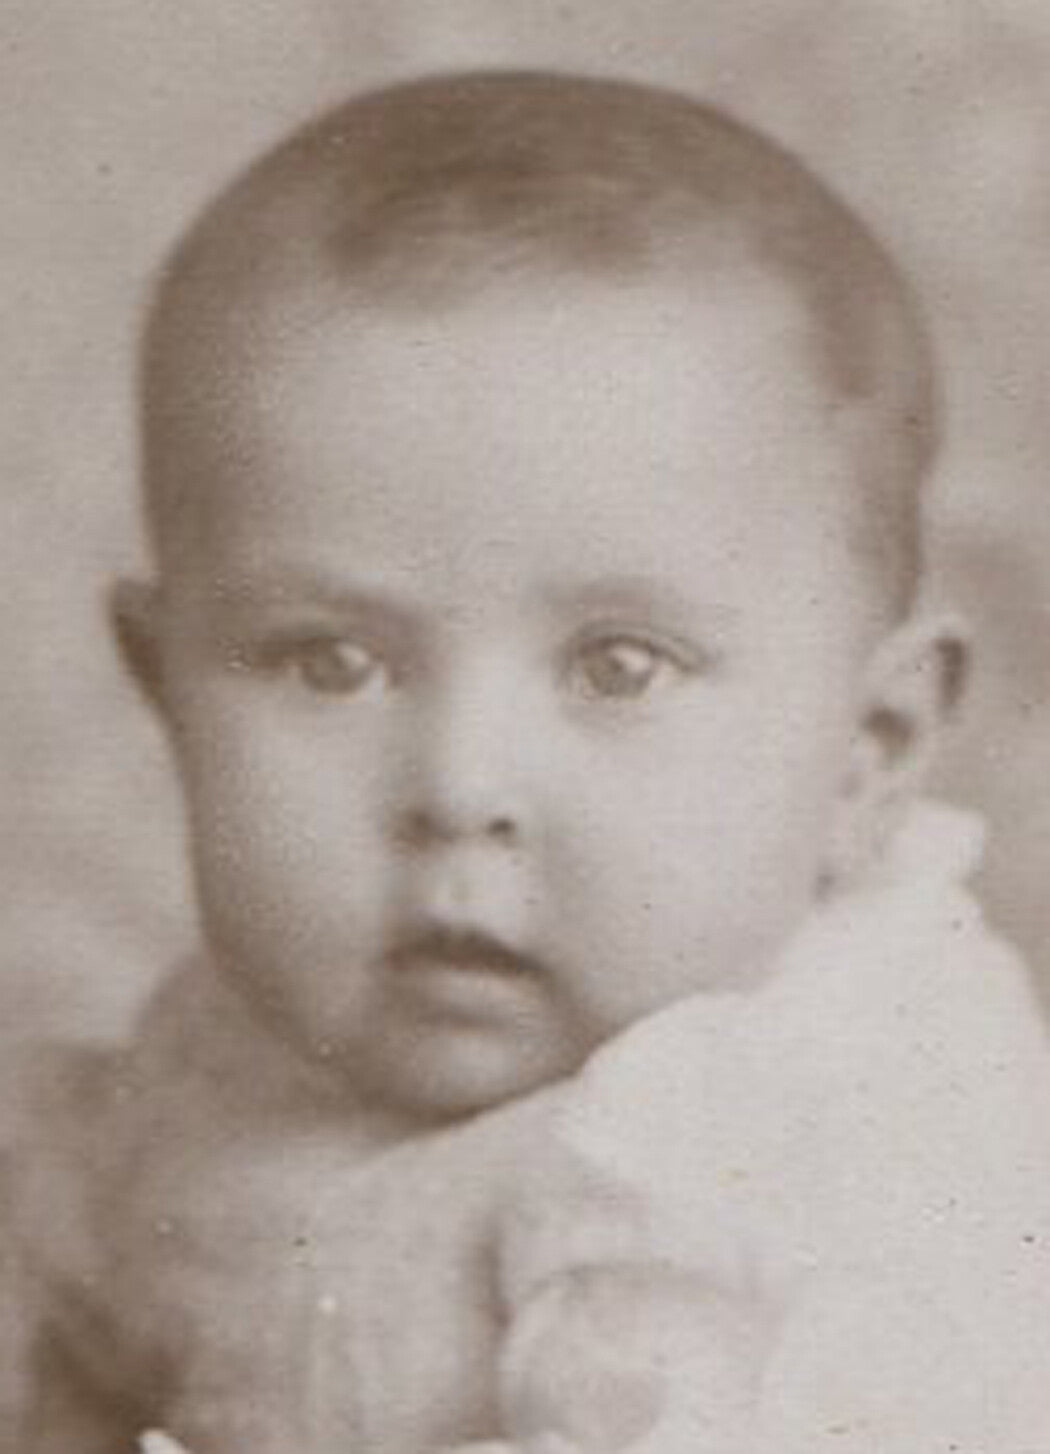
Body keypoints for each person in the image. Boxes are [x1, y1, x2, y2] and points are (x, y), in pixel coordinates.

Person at [4, 68, 1050, 1454]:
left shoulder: (809, 1150)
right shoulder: (230, 1050)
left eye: (620, 667)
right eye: (330, 662)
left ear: (871, 747)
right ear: (166, 688)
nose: (458, 789)